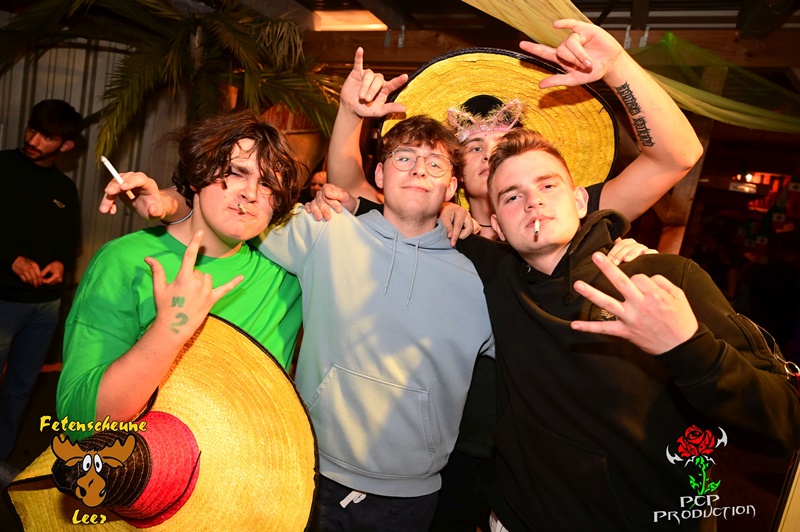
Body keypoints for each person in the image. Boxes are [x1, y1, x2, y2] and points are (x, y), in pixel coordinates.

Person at [322, 18, 703, 531]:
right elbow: (350, 184)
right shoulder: (431, 225)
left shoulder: (558, 220)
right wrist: (351, 115)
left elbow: (676, 158)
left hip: (548, 464)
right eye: (474, 146)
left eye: (503, 143)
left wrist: (617, 69)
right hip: (448, 455)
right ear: (456, 170)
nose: (490, 154)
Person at [102, 114, 495, 531]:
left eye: (435, 163)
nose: (418, 170)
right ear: (379, 174)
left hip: (411, 498)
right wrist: (170, 203)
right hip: (310, 472)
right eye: (404, 158)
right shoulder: (325, 228)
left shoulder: (478, 281)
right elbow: (237, 211)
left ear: (451, 187)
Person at [456, 124, 800, 530]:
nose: (534, 202)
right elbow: (405, 210)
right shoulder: (499, 279)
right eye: (513, 196)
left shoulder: (662, 278)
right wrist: (446, 210)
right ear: (497, 225)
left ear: (579, 201)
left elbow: (786, 421)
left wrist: (688, 347)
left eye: (547, 185)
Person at [56, 110, 304, 440]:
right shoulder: (126, 261)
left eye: (268, 183)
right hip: (140, 464)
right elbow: (80, 421)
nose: (251, 193)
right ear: (196, 176)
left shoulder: (290, 273)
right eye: (235, 173)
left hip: (247, 468)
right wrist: (167, 332)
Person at [0, 100, 83, 466]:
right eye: (32, 129)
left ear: (66, 145)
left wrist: (60, 264)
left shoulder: (65, 188)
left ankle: (1, 457)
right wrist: (11, 259)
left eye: (46, 136)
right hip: (2, 300)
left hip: (45, 308)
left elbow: (68, 242)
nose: (32, 140)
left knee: (20, 389)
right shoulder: (2, 166)